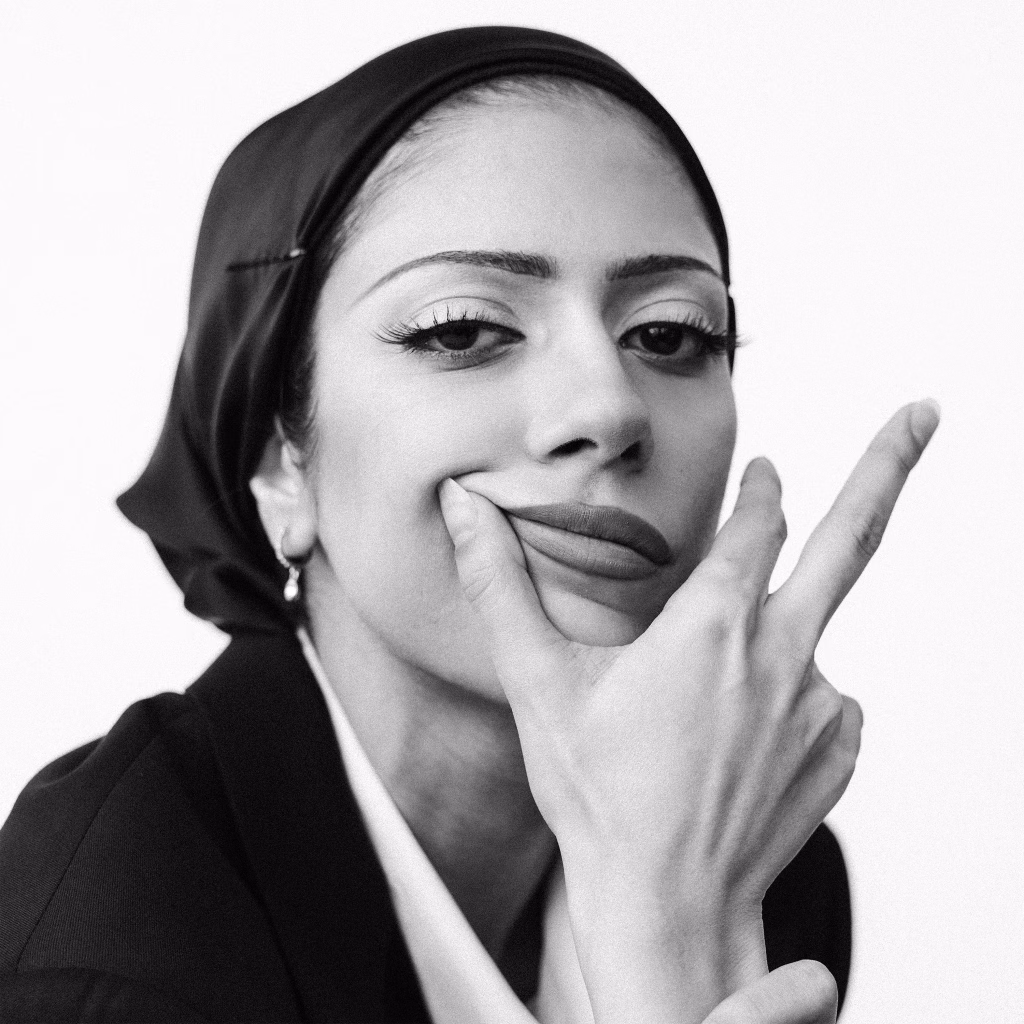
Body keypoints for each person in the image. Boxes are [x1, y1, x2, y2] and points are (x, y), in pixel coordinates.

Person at [0, 25, 938, 1024]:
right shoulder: (107, 961)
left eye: (669, 334)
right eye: (462, 329)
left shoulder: (755, 861)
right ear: (280, 458)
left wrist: (679, 910)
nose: (609, 407)